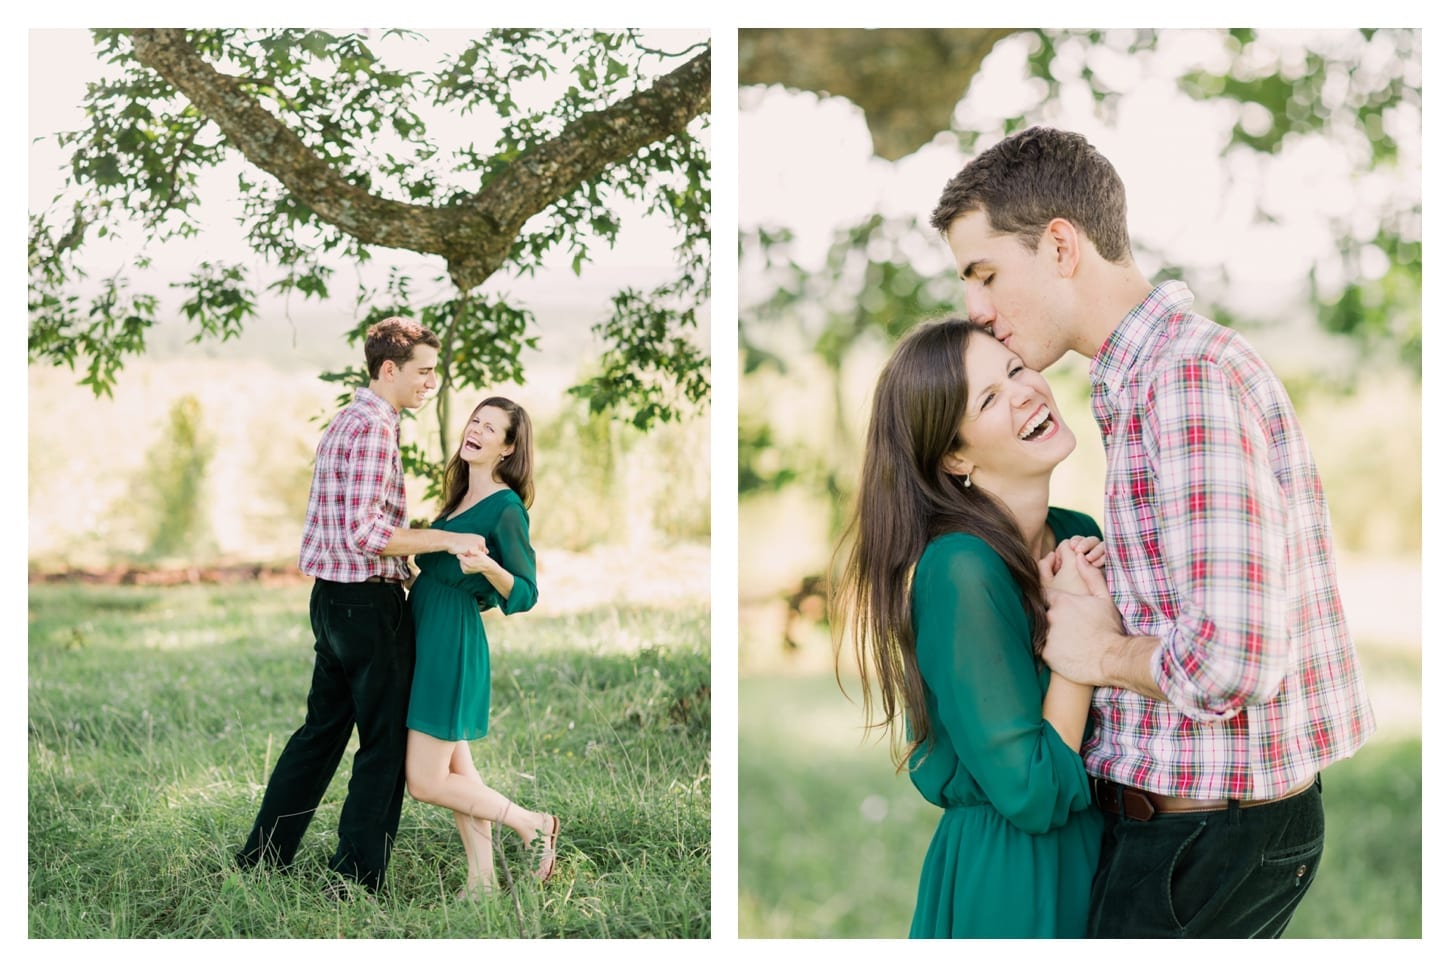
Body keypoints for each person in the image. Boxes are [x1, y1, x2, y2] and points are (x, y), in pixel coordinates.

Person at [929, 125, 1376, 938]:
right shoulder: (1144, 381)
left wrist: (1097, 653)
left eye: (985, 273)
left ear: (1061, 244)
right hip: (1190, 831)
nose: (976, 309)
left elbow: (1231, 661)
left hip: (1204, 838)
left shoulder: (1184, 381)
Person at [831, 317, 1110, 938]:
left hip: (1099, 859)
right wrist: (1077, 631)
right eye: (987, 398)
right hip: (1015, 877)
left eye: (1015, 370)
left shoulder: (1073, 530)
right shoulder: (960, 569)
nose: (1024, 392)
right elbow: (1032, 793)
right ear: (955, 454)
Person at [236, 316, 487, 895]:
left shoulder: (346, 421)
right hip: (366, 606)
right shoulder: (374, 429)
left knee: (320, 734)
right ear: (389, 369)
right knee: (384, 744)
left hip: (331, 601)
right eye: (423, 373)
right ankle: (354, 879)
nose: (433, 384)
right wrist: (446, 539)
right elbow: (368, 533)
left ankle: (264, 860)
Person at [403, 396, 558, 899]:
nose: (476, 430)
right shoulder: (458, 498)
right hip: (427, 636)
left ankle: (531, 822)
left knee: (425, 782)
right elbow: (444, 569)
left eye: (490, 428)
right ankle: (482, 880)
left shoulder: (507, 507)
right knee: (457, 772)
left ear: (507, 447)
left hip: (452, 647)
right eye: (475, 420)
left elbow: (526, 590)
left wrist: (488, 569)